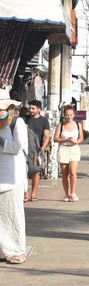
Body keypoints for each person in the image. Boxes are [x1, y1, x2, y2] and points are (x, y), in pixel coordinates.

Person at [0, 93, 27, 264]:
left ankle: (17, 250)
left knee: (12, 215)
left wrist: (1, 141)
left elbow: (18, 147)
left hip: (12, 178)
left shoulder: (17, 123)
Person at [53, 105, 83, 201]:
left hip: (74, 149)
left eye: (71, 115)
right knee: (65, 173)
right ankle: (67, 193)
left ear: (74, 115)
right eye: (67, 115)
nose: (69, 117)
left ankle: (73, 192)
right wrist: (65, 139)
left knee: (73, 172)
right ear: (64, 115)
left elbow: (81, 137)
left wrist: (76, 141)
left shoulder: (78, 125)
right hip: (63, 149)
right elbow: (55, 138)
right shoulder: (60, 126)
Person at [23, 100, 49, 202]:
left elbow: (46, 136)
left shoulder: (44, 121)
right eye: (30, 108)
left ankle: (33, 193)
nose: (31, 110)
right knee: (24, 171)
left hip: (36, 150)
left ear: (39, 109)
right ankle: (25, 192)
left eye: (33, 108)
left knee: (36, 171)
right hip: (24, 149)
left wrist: (42, 149)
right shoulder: (25, 119)